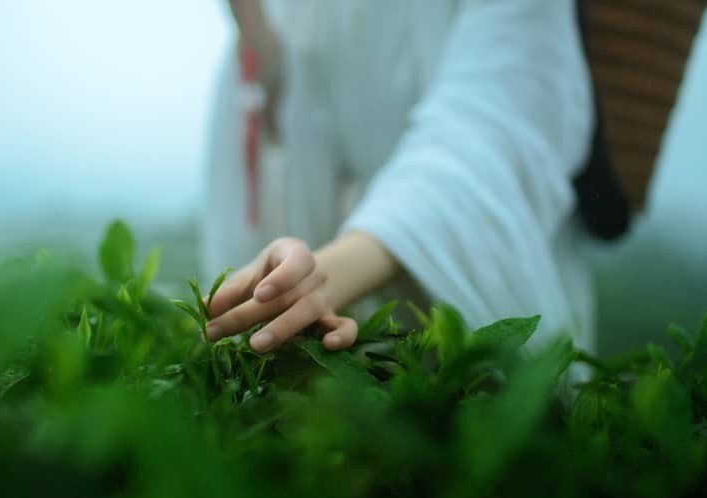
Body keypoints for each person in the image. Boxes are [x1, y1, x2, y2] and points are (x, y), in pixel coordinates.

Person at [200, 0, 597, 360]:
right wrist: (260, 40)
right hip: (328, 358)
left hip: (461, 327)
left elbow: (498, 123)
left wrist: (323, 275)